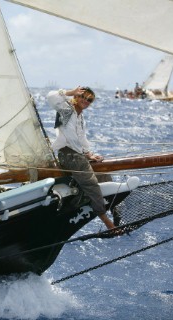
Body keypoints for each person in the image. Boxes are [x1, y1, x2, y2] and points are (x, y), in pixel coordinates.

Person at [47, 86, 116, 230]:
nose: (86, 101)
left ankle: (115, 210)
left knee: (103, 173)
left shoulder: (80, 117)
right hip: (68, 154)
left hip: (77, 154)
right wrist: (70, 92)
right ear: (77, 97)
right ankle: (107, 222)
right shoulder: (67, 110)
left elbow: (81, 139)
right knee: (91, 184)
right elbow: (51, 97)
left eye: (89, 100)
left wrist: (89, 153)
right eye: (83, 97)